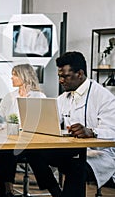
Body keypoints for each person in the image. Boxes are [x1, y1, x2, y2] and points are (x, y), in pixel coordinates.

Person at [28, 51, 115, 197]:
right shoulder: (63, 98)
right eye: (59, 76)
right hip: (71, 150)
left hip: (99, 154)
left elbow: (113, 132)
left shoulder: (104, 97)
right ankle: (57, 194)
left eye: (65, 76)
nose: (61, 81)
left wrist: (92, 132)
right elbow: (51, 122)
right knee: (33, 151)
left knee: (76, 167)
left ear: (80, 74)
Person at [0, 63, 46, 197]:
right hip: (11, 139)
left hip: (32, 143)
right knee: (3, 152)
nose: (11, 78)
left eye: (15, 74)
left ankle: (6, 191)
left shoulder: (38, 97)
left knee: (8, 151)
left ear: (25, 76)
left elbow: (42, 123)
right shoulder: (10, 96)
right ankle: (5, 191)